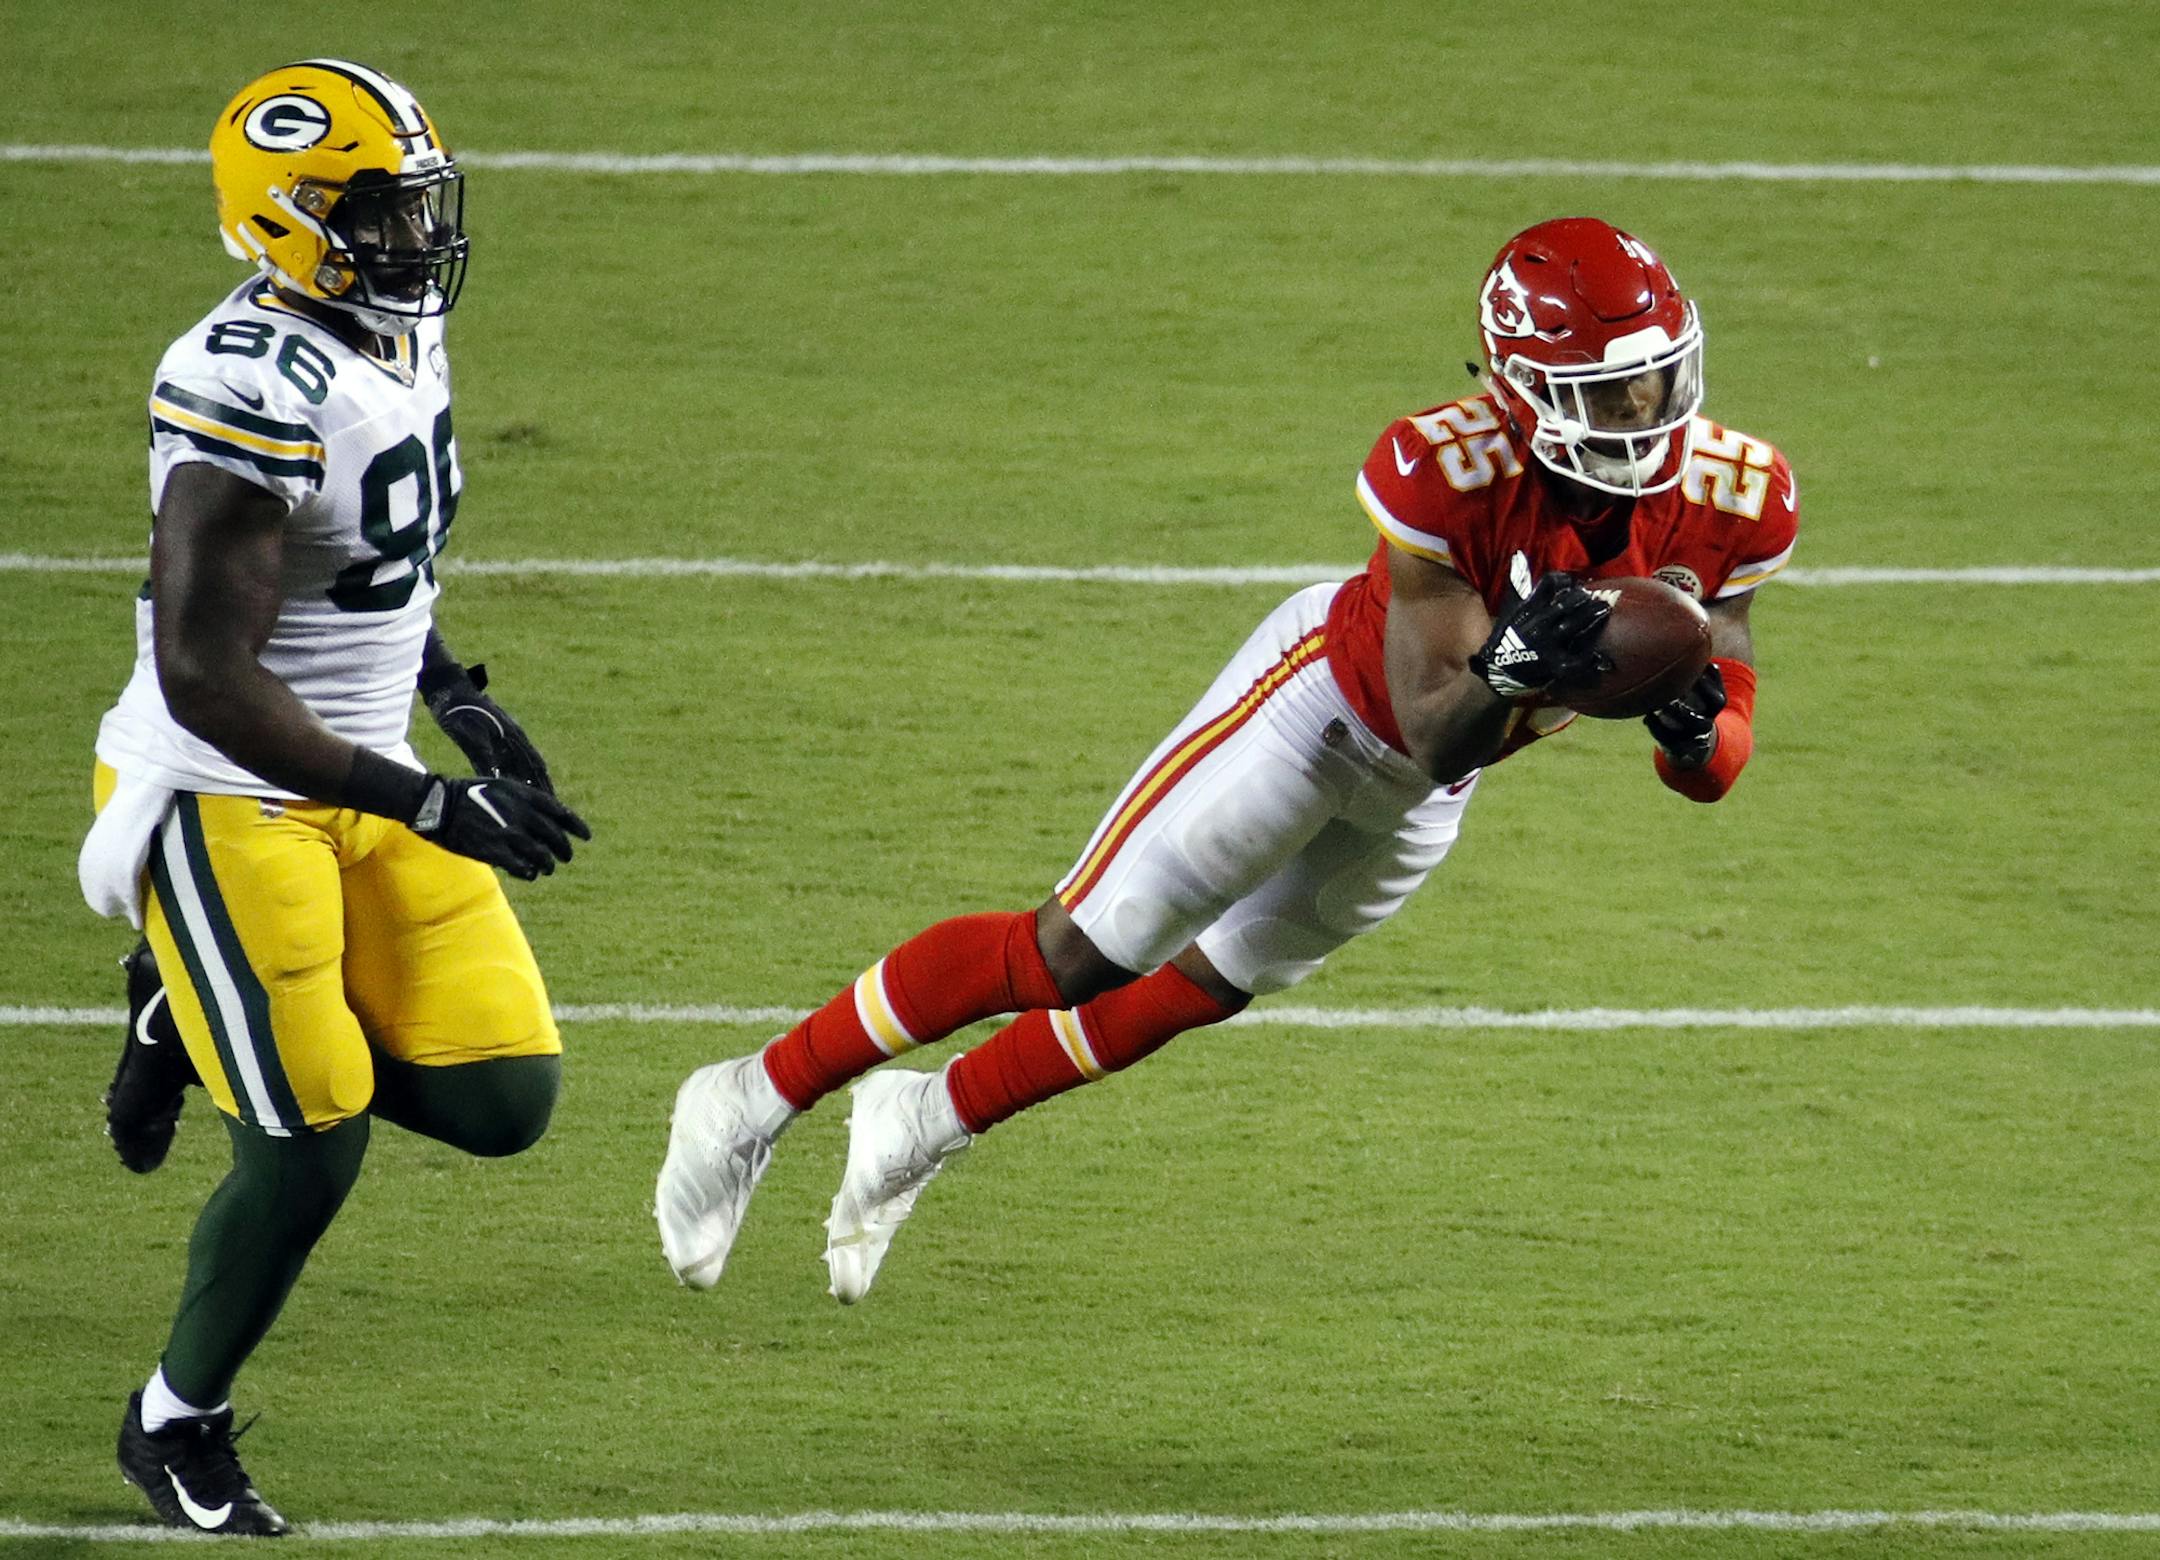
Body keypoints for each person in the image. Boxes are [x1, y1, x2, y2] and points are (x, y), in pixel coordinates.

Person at [655, 215, 1797, 1306]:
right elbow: (1429, 717)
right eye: (1606, 390)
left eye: (1657, 379)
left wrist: (1698, 734)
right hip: (1326, 709)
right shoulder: (1444, 468)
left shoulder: (1734, 495)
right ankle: (752, 1095)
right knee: (1076, 954)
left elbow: (1720, 741)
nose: (1642, 413)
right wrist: (1507, 667)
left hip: (1438, 786)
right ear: (1522, 386)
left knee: (1205, 985)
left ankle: (927, 1119)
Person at [81, 59, 590, 1536]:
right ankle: (173, 1422)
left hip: (362, 769)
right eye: (377, 211)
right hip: (223, 790)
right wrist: (430, 804)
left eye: (420, 204)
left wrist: (455, 691)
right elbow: (206, 675)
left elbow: (374, 559)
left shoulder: (392, 329)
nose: (415, 237)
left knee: (504, 1096)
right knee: (312, 1143)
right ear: (284, 218)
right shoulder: (241, 383)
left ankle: (188, 1011)